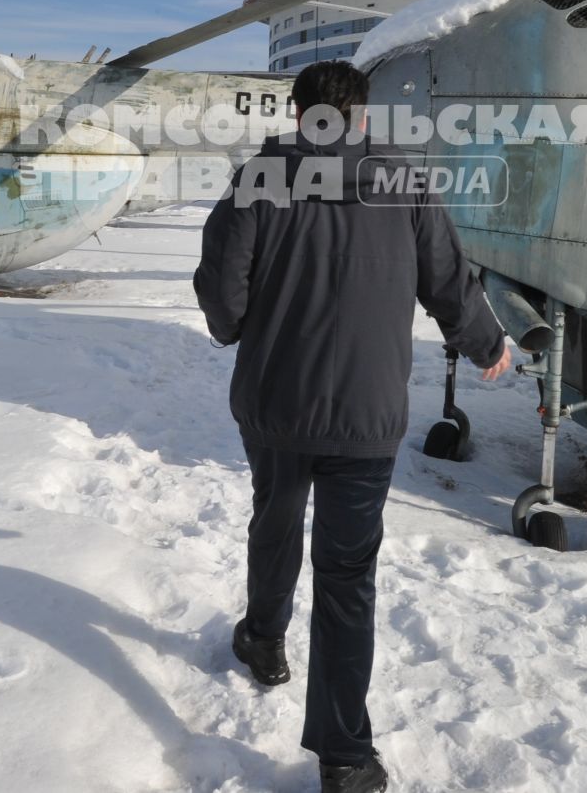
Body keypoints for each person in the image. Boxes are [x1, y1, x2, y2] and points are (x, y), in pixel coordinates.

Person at [193, 60, 512, 793]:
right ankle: (344, 755)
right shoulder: (405, 183)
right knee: (347, 576)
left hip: (275, 404)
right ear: (361, 114)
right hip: (366, 419)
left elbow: (222, 295)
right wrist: (489, 344)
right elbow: (448, 284)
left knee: (274, 518)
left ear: (299, 111)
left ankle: (264, 640)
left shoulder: (258, 179)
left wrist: (236, 327)